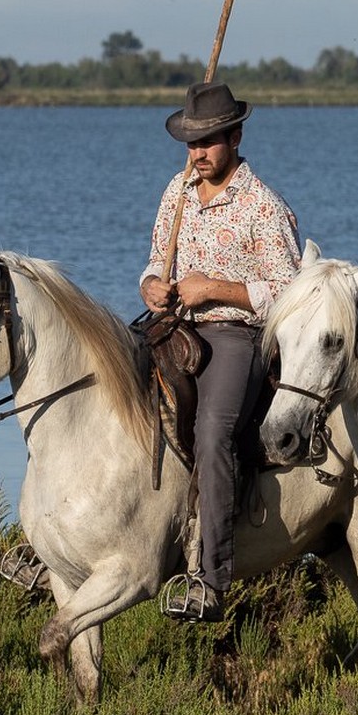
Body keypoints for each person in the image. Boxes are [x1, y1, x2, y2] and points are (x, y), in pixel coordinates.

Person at [139, 81, 301, 622]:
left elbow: (287, 291)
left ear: (235, 136)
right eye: (192, 144)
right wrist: (152, 287)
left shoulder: (264, 206)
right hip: (174, 327)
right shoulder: (178, 191)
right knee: (108, 382)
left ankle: (211, 576)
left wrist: (214, 289)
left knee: (212, 432)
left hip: (239, 335)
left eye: (208, 142)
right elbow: (155, 260)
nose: (199, 154)